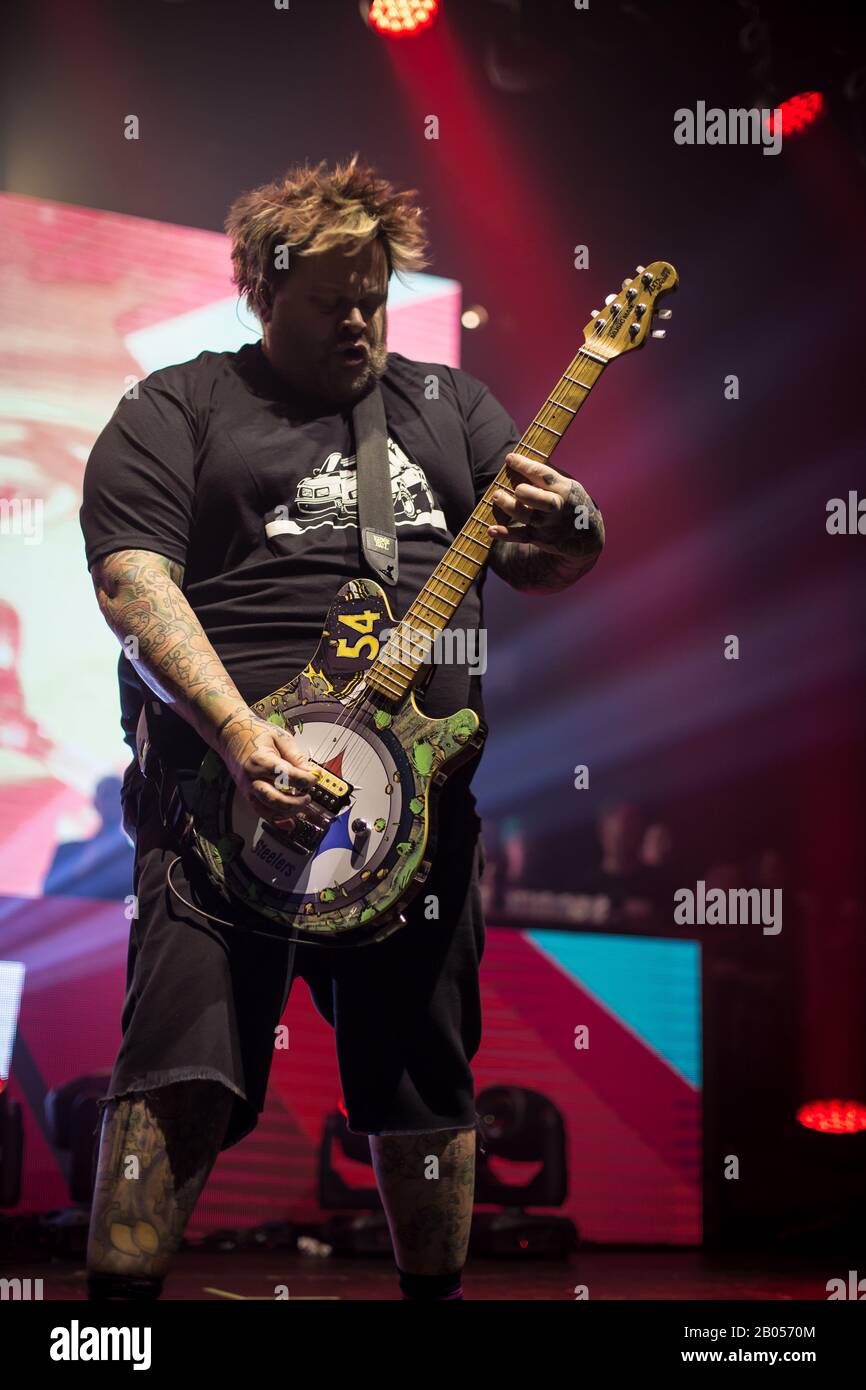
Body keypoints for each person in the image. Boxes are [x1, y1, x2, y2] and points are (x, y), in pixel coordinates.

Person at [79, 155, 605, 1301]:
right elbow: (130, 582)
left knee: (424, 1081)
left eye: (373, 290)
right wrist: (236, 736)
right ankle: (114, 1320)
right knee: (178, 1066)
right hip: (218, 803)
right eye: (331, 298)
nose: (360, 316)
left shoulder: (446, 407)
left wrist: (572, 513)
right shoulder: (176, 407)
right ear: (263, 293)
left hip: (415, 814)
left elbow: (540, 557)